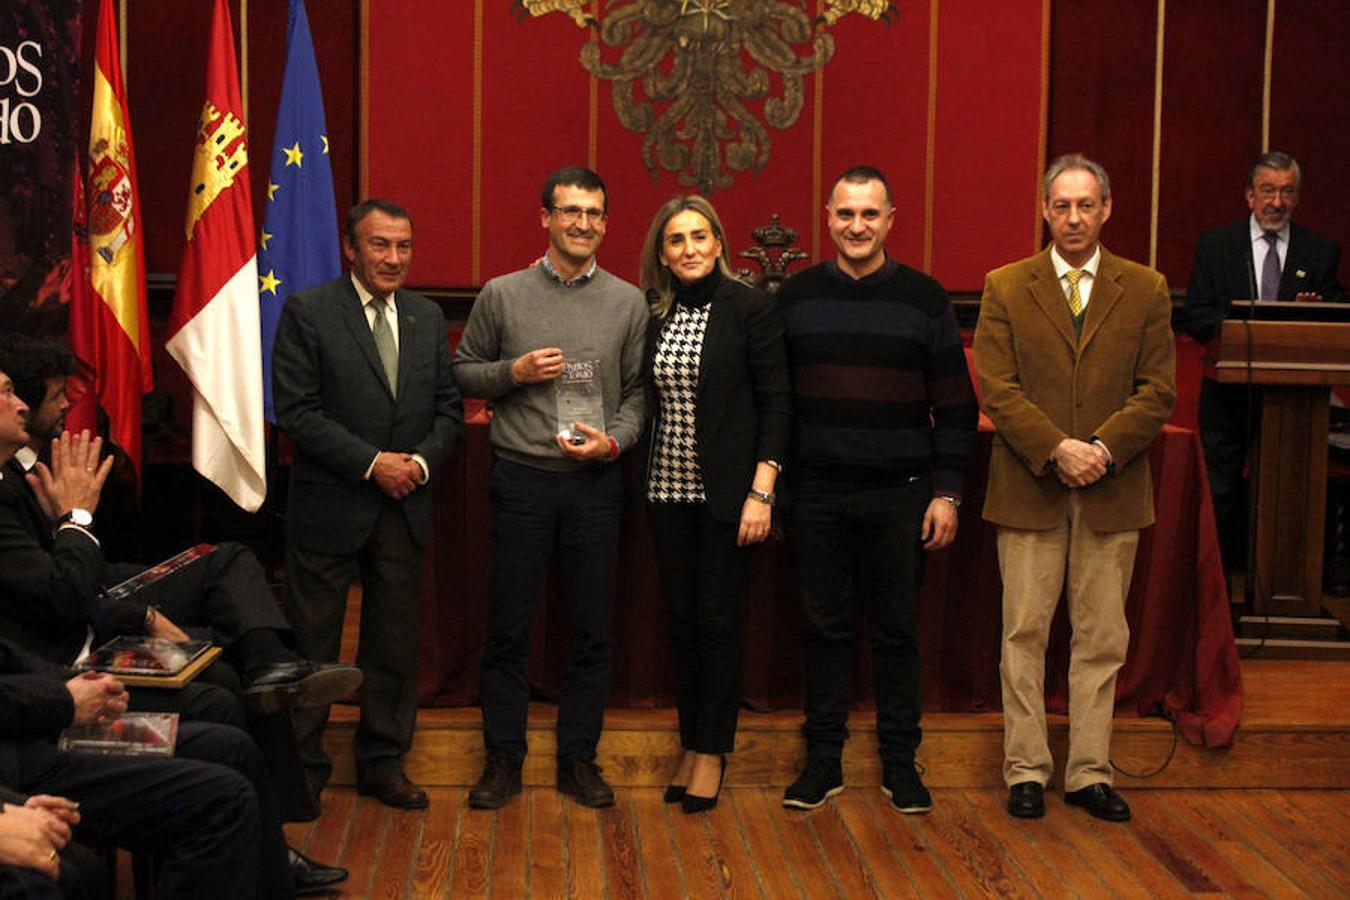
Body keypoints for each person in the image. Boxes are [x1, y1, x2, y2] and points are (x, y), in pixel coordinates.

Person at [0, 350, 348, 894]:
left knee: (225, 629)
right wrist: (78, 522)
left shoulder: (27, 469)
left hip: (58, 671)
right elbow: (59, 596)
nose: (23, 405)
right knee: (220, 705)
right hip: (33, 740)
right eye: (8, 393)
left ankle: (274, 672)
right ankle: (270, 684)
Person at [974, 154, 1175, 822]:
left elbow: (1158, 391)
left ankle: (1089, 773)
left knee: (1100, 639)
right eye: (1061, 205)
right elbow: (997, 387)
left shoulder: (1145, 288)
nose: (1074, 218)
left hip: (1111, 490)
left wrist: (1101, 450)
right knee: (1023, 634)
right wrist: (1057, 448)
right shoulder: (1006, 285)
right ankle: (1026, 770)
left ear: (1108, 208)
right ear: (1044, 209)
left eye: (1086, 205)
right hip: (1031, 486)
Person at [777, 166, 978, 814]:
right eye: (845, 215)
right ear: (827, 218)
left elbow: (955, 407)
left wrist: (947, 493)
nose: (857, 226)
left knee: (897, 633)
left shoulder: (924, 299)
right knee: (823, 630)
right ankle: (824, 762)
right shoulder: (795, 297)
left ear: (891, 219)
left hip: (902, 495)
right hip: (816, 495)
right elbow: (774, 403)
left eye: (869, 215)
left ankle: (900, 762)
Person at [454, 166, 647, 810]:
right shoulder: (502, 294)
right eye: (570, 212)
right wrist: (513, 371)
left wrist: (613, 441)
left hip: (596, 484)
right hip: (522, 480)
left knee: (591, 628)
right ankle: (504, 759)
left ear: (605, 224)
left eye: (594, 214)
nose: (583, 224)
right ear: (545, 218)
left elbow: (640, 394)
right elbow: (463, 374)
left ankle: (578, 759)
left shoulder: (627, 301)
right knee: (509, 626)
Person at [272, 199, 465, 810]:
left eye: (404, 246)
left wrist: (418, 464)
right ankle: (300, 769)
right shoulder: (309, 312)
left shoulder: (427, 317)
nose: (394, 258)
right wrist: (371, 463)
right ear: (351, 249)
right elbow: (297, 413)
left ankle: (383, 762)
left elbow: (447, 410)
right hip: (332, 506)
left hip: (404, 504)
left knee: (393, 644)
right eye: (380, 245)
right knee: (313, 645)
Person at [637, 195, 789, 813]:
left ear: (720, 243)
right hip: (666, 491)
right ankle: (689, 740)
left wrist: (762, 491)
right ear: (663, 254)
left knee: (718, 626)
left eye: (700, 236)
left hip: (729, 495)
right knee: (682, 625)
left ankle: (712, 751)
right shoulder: (656, 313)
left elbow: (778, 403)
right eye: (676, 240)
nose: (690, 248)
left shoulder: (751, 307)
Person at [1182, 151, 1346, 574]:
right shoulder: (1217, 246)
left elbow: (1336, 313)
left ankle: (1281, 584)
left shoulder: (1321, 251)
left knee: (1287, 493)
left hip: (1294, 400)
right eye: (1268, 191)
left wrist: (1315, 311)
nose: (1277, 202)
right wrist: (1240, 331)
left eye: (1287, 192)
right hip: (1227, 395)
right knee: (1221, 492)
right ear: (1250, 196)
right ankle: (1215, 590)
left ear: (1297, 198)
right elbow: (1197, 315)